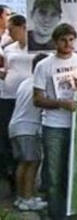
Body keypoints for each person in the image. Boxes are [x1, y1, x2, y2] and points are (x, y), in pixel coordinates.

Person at [33, 23, 77, 220]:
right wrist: (61, 103)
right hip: (54, 125)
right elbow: (37, 99)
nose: (68, 44)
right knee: (54, 173)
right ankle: (57, 215)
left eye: (71, 39)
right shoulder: (45, 65)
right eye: (63, 40)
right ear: (55, 41)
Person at [9, 53, 47, 211]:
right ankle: (28, 198)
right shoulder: (38, 85)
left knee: (23, 163)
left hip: (15, 127)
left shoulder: (25, 82)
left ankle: (21, 197)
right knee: (32, 162)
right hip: (28, 128)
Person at [0, 15, 34, 189]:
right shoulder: (7, 48)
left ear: (22, 27)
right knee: (7, 134)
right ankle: (11, 172)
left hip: (29, 96)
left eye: (11, 28)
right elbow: (6, 69)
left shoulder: (35, 45)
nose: (9, 32)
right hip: (9, 95)